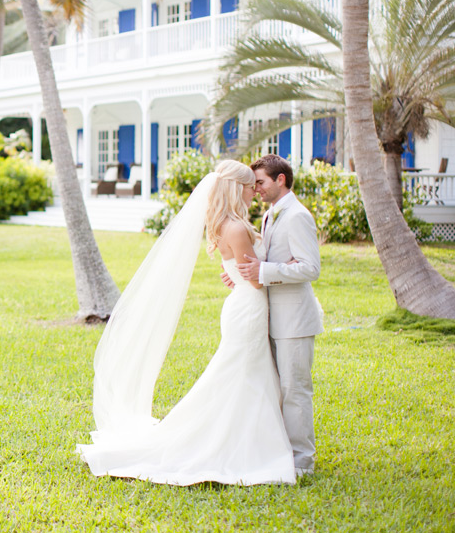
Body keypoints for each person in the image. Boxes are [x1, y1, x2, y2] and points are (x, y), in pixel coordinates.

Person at [77, 160, 295, 486]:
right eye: (251, 186)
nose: (255, 191)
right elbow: (257, 279)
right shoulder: (235, 228)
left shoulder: (228, 224)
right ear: (238, 188)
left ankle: (248, 437)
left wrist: (242, 272)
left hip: (244, 306)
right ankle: (238, 444)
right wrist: (286, 266)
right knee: (239, 374)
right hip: (248, 309)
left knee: (245, 374)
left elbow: (244, 269)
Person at [231, 154, 324, 477]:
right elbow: (267, 260)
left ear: (280, 180)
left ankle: (302, 461)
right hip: (271, 318)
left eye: (260, 182)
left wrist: (264, 270)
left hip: (295, 321)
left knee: (295, 390)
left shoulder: (297, 216)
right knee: (276, 387)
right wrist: (243, 273)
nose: (256, 189)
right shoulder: (271, 215)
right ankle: (281, 450)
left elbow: (310, 268)